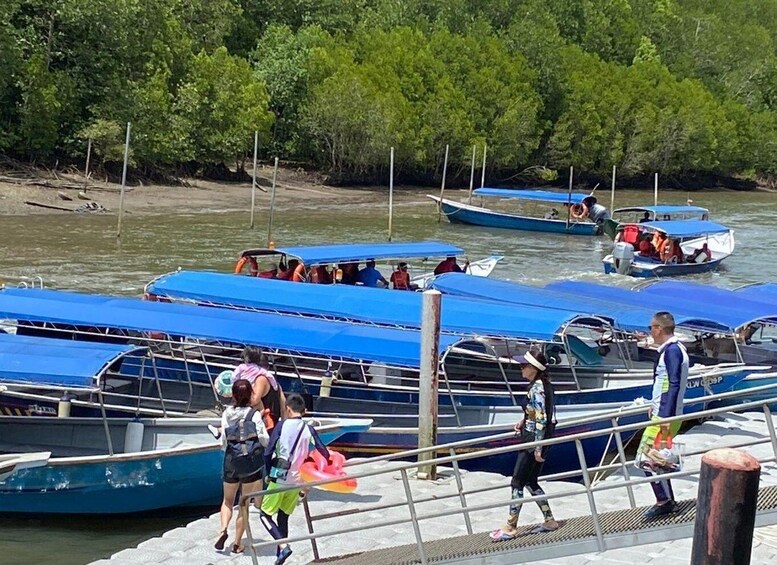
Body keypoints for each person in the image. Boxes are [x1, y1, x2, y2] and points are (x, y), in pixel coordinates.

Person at [491, 351, 559, 541]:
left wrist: (537, 447)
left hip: (533, 441)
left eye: (524, 366)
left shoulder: (537, 389)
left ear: (534, 369)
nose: (521, 368)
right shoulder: (543, 385)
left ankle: (510, 527)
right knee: (531, 481)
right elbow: (537, 412)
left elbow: (542, 418)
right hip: (538, 438)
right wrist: (523, 420)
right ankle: (550, 520)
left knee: (517, 482)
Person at [261, 394, 331, 565]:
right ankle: (280, 556)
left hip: (279, 477)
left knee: (264, 515)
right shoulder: (309, 429)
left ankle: (283, 548)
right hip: (297, 479)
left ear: (288, 409)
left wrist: (269, 471)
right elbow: (324, 452)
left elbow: (268, 451)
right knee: (283, 517)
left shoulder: (282, 425)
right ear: (304, 411)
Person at [640, 312, 689, 519]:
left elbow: (674, 383)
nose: (649, 331)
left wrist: (666, 417)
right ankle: (667, 500)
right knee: (656, 457)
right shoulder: (675, 350)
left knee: (645, 456)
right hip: (663, 412)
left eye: (651, 327)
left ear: (659, 328)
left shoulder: (672, 351)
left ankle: (664, 501)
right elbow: (666, 383)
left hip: (665, 416)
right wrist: (655, 404)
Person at [214, 379, 269, 553]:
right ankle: (238, 543)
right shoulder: (254, 414)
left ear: (234, 395)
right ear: (251, 394)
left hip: (231, 460)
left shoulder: (226, 413)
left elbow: (223, 442)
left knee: (227, 501)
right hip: (250, 463)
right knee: (243, 503)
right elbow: (265, 440)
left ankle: (223, 530)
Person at [233, 347, 285, 430]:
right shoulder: (275, 383)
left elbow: (254, 400)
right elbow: (283, 406)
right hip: (272, 422)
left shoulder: (261, 379)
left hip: (263, 424)